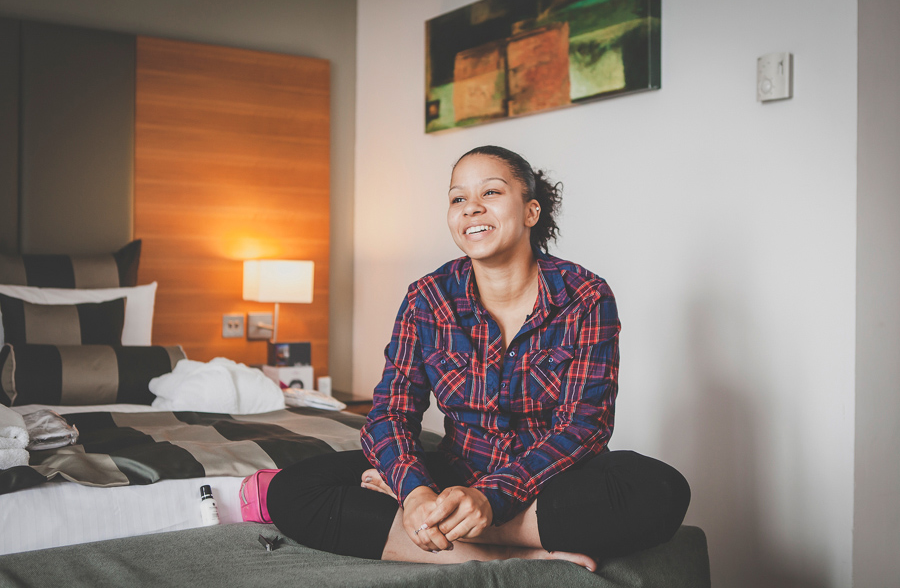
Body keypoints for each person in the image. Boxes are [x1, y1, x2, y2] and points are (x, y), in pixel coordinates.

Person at [267, 146, 690, 571]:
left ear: (531, 211)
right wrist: (414, 492)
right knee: (294, 489)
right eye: (457, 199)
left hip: (548, 485)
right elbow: (391, 412)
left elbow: (585, 427)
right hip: (456, 471)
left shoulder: (585, 295)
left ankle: (461, 530)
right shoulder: (428, 298)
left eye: (490, 193)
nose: (471, 208)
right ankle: (504, 552)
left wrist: (490, 499)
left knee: (659, 490)